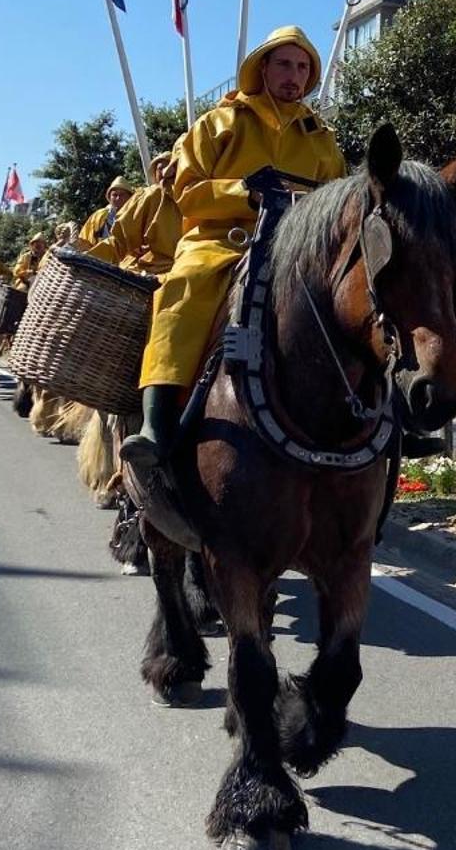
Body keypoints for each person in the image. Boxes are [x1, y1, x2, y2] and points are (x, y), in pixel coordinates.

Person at [118, 28, 346, 538]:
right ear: (263, 69)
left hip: (298, 250)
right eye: (284, 65)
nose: (294, 77)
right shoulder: (218, 122)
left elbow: (337, 198)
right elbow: (186, 191)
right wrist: (246, 191)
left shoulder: (321, 136)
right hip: (224, 240)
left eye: (303, 68)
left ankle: (381, 422)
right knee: (184, 291)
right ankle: (156, 422)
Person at [79, 178, 135, 247]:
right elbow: (84, 240)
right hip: (100, 256)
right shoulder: (99, 216)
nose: (118, 198)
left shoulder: (137, 214)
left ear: (130, 197)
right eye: (114, 195)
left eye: (122, 194)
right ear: (109, 197)